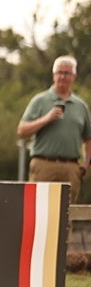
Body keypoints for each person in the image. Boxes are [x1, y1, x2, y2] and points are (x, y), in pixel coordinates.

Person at [17, 55, 91, 202]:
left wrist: (86, 163)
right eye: (59, 72)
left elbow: (88, 138)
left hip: (71, 168)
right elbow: (21, 131)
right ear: (53, 75)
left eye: (67, 73)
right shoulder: (40, 101)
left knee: (66, 216)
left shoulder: (81, 106)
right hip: (43, 165)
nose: (62, 76)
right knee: (39, 211)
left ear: (73, 77)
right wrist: (46, 118)